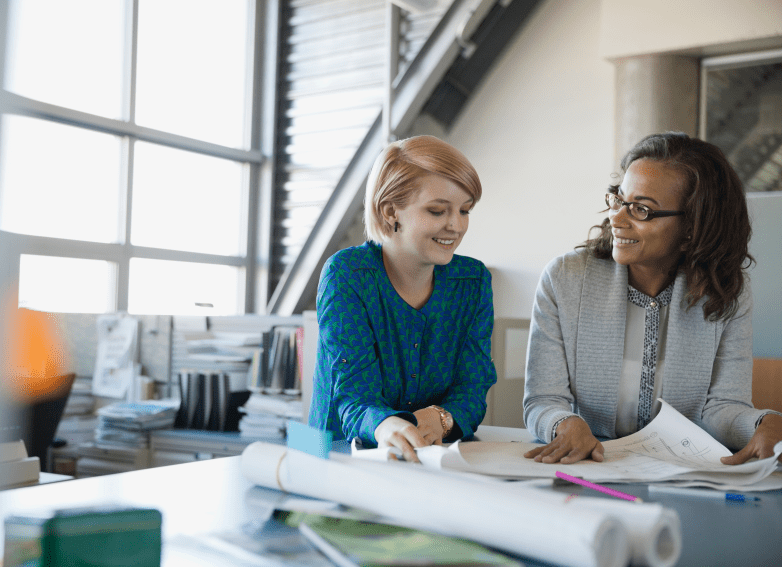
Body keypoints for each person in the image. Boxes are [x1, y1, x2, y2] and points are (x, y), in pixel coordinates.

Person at [523, 132, 782, 465]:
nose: (615, 218)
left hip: (681, 473)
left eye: (641, 209)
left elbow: (722, 408)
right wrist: (564, 423)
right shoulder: (564, 279)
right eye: (619, 199)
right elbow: (543, 400)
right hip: (589, 468)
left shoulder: (728, 291)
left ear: (693, 229)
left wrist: (764, 422)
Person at [309, 135, 497, 462]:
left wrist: (443, 417)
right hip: (330, 454)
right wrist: (385, 426)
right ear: (390, 211)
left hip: (427, 458)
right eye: (437, 210)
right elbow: (354, 398)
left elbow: (473, 389)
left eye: (465, 210)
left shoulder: (474, 281)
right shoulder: (346, 275)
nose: (456, 226)